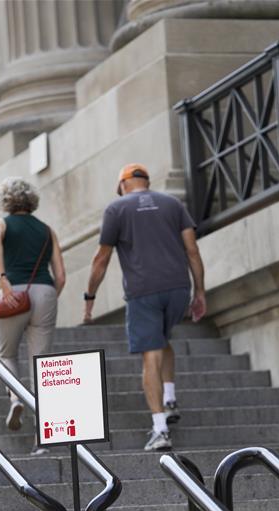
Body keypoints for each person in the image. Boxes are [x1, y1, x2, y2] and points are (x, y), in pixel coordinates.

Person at [84, 163, 206, 452]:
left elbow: (101, 259)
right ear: (146, 182)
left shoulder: (117, 209)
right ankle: (170, 396)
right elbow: (192, 249)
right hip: (178, 289)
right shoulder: (173, 203)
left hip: (143, 292)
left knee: (150, 354)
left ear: (124, 185)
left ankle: (160, 429)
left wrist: (89, 297)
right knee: (162, 340)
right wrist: (199, 291)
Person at [0, 177, 66, 432]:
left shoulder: (0, 223)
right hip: (45, 291)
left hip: (13, 294)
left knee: (8, 354)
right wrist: (51, 296)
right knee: (42, 364)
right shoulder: (47, 230)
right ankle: (42, 436)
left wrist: (3, 280)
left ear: (5, 200)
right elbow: (61, 275)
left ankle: (16, 398)